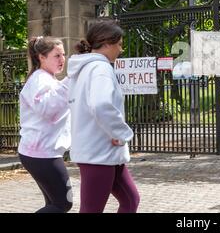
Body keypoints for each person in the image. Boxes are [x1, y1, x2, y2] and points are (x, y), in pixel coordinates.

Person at [67, 20, 140, 213]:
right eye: (119, 44)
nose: (121, 49)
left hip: (102, 152)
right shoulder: (100, 69)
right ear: (107, 43)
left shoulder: (85, 69)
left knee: (131, 200)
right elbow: (101, 105)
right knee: (91, 210)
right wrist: (121, 133)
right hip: (98, 152)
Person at [18, 36, 72, 213]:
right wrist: (71, 81)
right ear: (42, 57)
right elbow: (49, 110)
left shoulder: (47, 78)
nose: (62, 59)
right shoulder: (40, 79)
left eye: (63, 54)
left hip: (41, 152)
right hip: (41, 154)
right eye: (57, 55)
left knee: (53, 204)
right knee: (63, 204)